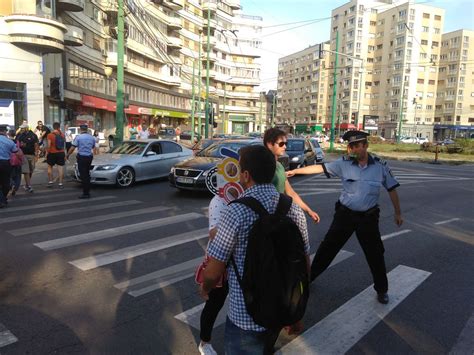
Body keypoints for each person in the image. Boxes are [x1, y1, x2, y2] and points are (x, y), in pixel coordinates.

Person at [200, 145, 310, 354]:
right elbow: (304, 265)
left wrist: (205, 288)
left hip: (245, 318)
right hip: (281, 310)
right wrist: (297, 312)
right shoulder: (293, 209)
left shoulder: (236, 211)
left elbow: (213, 271)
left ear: (246, 175)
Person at [287, 130, 403, 304]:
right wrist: (297, 172)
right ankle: (308, 279)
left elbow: (392, 189)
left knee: (375, 254)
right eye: (351, 146)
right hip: (345, 215)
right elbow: (321, 167)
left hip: (368, 218)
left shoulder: (380, 166)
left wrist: (398, 212)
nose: (354, 150)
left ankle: (382, 290)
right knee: (327, 248)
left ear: (366, 145)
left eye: (357, 146)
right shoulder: (344, 163)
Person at [264, 128, 320, 223]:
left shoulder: (279, 166)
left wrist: (308, 210)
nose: (285, 147)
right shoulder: (261, 165)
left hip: (279, 213)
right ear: (270, 144)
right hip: (265, 216)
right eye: (281, 144)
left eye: (286, 144)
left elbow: (290, 192)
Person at [67, 124, 95, 199]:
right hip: (89, 157)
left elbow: (73, 147)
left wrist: (67, 155)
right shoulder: (91, 137)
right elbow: (93, 146)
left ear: (80, 129)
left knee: (83, 175)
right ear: (87, 129)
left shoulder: (78, 137)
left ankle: (86, 193)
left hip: (82, 157)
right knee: (87, 174)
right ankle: (88, 190)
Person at [0, 124, 19, 207]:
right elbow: (15, 151)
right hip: (5, 163)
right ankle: (3, 198)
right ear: (4, 132)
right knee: (5, 182)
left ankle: (2, 200)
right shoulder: (9, 141)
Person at [16, 123, 39, 193]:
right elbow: (16, 144)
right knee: (26, 171)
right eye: (21, 128)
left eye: (22, 128)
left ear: (26, 128)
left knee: (31, 170)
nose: (21, 129)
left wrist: (36, 154)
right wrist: (20, 145)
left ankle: (26, 185)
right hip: (23, 155)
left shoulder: (33, 135)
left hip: (32, 155)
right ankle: (29, 186)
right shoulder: (19, 136)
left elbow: (36, 145)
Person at [46, 122, 66, 188]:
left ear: (53, 127)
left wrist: (47, 153)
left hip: (52, 153)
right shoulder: (62, 135)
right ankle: (60, 183)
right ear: (59, 127)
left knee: (50, 167)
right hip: (61, 153)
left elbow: (49, 145)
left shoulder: (50, 135)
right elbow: (63, 145)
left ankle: (50, 182)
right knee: (60, 169)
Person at [8, 129, 22, 196]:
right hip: (17, 160)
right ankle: (15, 187)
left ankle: (12, 185)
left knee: (9, 176)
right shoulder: (17, 141)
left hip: (9, 161)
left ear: (8, 134)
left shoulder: (7, 141)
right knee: (17, 176)